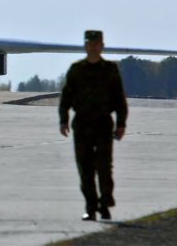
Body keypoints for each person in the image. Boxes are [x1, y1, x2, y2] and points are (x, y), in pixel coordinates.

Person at [58, 30, 128, 221]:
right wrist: (63, 120)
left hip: (103, 124)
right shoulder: (76, 69)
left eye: (96, 44)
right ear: (85, 46)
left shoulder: (110, 69)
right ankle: (91, 207)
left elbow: (119, 98)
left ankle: (105, 204)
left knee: (104, 167)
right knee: (85, 169)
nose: (93, 47)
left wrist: (121, 124)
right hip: (82, 124)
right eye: (90, 43)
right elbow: (66, 97)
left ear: (102, 46)